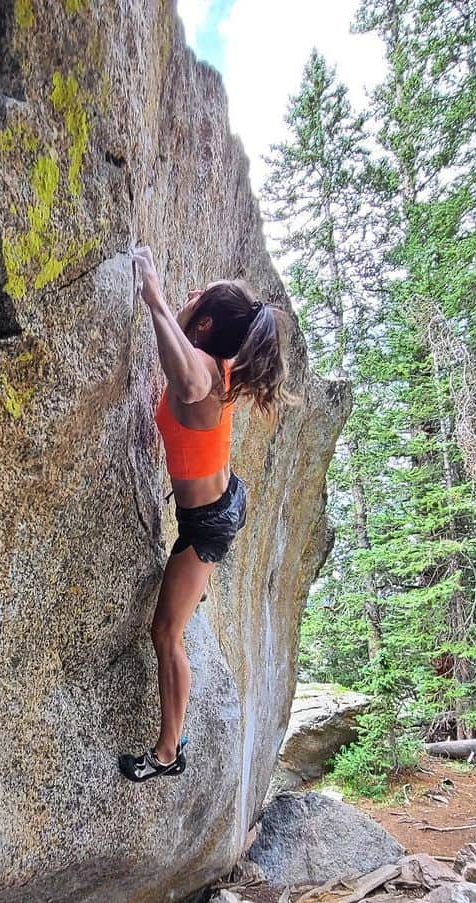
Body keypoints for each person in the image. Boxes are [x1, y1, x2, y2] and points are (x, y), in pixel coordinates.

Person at [118, 244, 297, 783]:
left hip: (208, 525)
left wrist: (153, 297)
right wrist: (166, 306)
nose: (186, 297)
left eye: (194, 298)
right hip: (220, 503)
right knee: (170, 626)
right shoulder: (220, 359)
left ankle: (169, 753)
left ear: (207, 322)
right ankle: (172, 743)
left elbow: (186, 376)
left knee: (166, 633)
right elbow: (185, 356)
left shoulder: (202, 373)